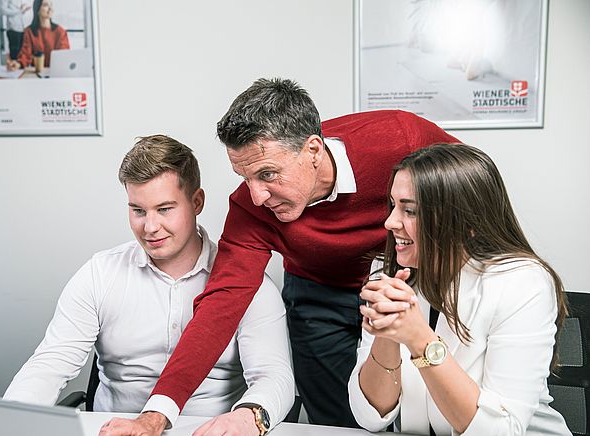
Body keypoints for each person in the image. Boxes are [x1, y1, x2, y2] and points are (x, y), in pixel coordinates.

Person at [101, 78, 460, 435]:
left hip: (410, 284)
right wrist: (158, 412)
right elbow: (220, 305)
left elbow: (475, 192)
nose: (256, 196)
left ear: (313, 151)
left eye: (267, 174)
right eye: (245, 178)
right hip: (317, 295)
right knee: (346, 424)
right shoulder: (250, 209)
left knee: (431, 407)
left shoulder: (399, 137)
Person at [3, 135, 294, 436]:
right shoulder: (100, 274)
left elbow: (274, 377)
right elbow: (49, 365)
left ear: (197, 202)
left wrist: (248, 417)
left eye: (165, 209)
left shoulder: (245, 281)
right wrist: (9, 422)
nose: (150, 227)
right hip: (115, 431)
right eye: (138, 211)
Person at [350, 143, 570, 435]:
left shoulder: (523, 283)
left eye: (410, 210)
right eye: (393, 205)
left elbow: (500, 431)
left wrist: (419, 340)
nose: (390, 222)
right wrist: (388, 336)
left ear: (467, 223)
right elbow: (370, 415)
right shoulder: (388, 273)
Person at [6, 0, 69, 71]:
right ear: (37, 9)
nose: (50, 8)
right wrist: (18, 64)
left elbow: (64, 55)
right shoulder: (29, 31)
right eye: (46, 5)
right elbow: (26, 54)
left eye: (51, 5)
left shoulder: (60, 31)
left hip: (57, 72)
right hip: (37, 73)